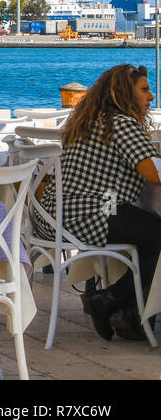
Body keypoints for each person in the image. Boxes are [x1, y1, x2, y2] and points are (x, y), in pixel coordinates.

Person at [37, 64, 161, 341]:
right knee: (156, 233)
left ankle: (129, 312)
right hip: (90, 213)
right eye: (144, 89)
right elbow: (153, 173)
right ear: (124, 94)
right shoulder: (122, 123)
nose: (151, 97)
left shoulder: (90, 119)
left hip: (54, 216)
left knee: (149, 231)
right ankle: (110, 299)